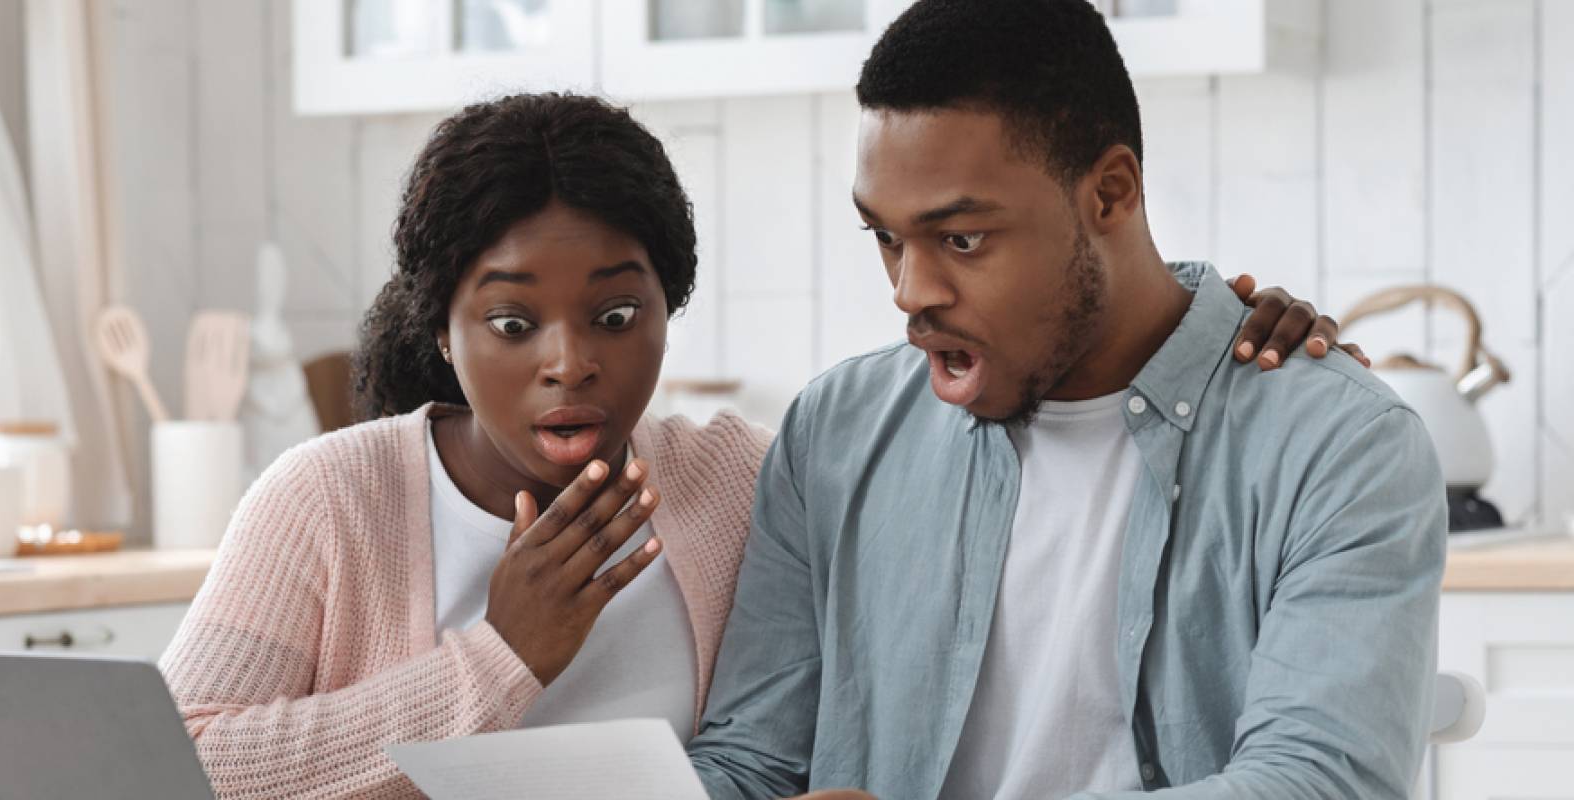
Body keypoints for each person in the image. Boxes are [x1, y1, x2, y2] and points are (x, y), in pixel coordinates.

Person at [156, 92, 1356, 799]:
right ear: (444, 323)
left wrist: (1207, 323)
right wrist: (497, 656)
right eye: (513, 321)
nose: (570, 360)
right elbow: (173, 766)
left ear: (670, 307)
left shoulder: (736, 474)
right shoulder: (333, 494)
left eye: (617, 314)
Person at [685, 2, 1447, 799]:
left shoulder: (1338, 447)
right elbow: (751, 767)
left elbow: (1318, 784)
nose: (911, 293)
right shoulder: (835, 433)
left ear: (1111, 193)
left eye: (962, 239)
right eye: (886, 237)